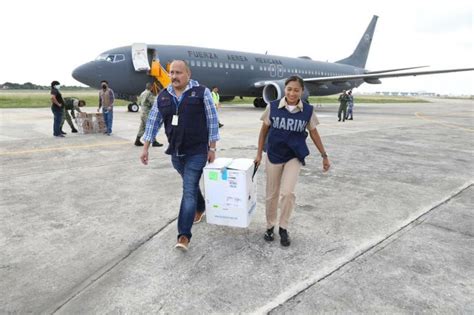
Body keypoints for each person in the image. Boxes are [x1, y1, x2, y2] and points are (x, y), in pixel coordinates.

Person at [140, 60, 219, 251]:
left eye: (178, 72)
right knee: (190, 185)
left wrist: (212, 148)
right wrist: (146, 147)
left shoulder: (201, 92)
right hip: (175, 153)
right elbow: (153, 122)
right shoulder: (164, 96)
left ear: (188, 74)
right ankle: (200, 208)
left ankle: (184, 235)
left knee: (188, 189)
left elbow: (212, 120)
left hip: (197, 151)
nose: (174, 76)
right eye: (171, 72)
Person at [254, 75, 330, 247]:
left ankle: (283, 227)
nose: (292, 93)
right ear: (285, 90)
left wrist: (324, 155)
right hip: (274, 155)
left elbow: (314, 133)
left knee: (288, 193)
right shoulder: (272, 107)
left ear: (302, 91)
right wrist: (259, 153)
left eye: (296, 90)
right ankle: (269, 225)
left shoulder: (308, 110)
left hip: (293, 156)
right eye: (289, 89)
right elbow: (263, 131)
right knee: (271, 194)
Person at [134, 83, 163, 147]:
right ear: (151, 87)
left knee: (142, 127)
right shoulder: (149, 93)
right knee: (151, 127)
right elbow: (153, 102)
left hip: (142, 112)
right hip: (147, 113)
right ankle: (154, 141)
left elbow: (138, 102)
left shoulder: (142, 93)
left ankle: (137, 140)